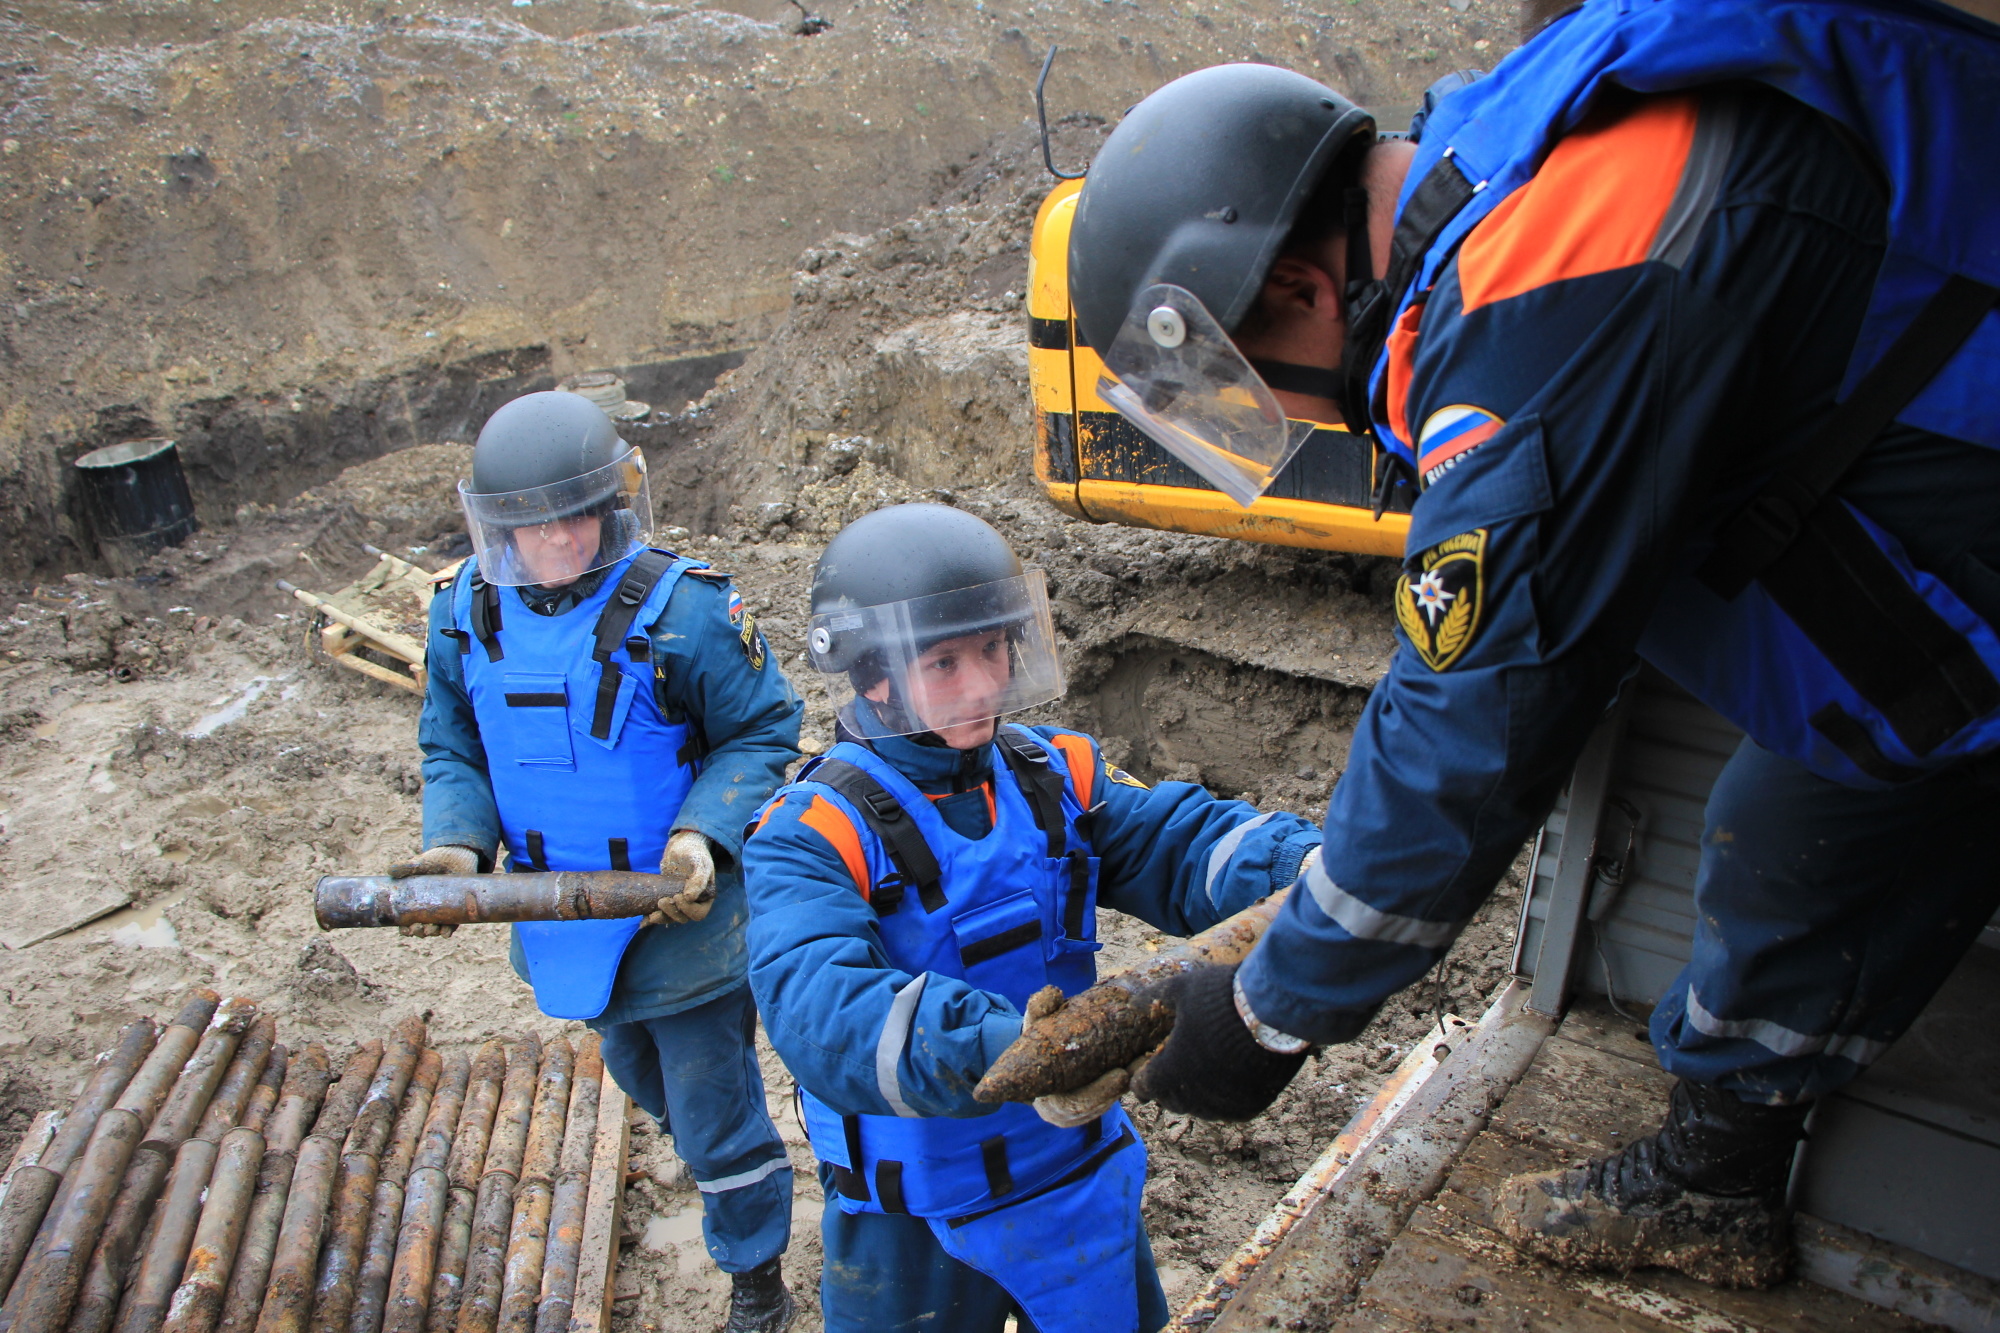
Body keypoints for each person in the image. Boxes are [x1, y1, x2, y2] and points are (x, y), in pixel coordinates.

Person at [1061, 0, 2000, 1290]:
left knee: (1800, 814)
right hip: (1945, 548)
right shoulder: (1513, 159)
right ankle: (1720, 1174)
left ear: (1297, 285)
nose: (1269, 414)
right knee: (1795, 822)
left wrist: (1269, 1013)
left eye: (1238, 375)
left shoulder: (1543, 295)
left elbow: (1474, 718)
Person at [738, 503, 1325, 1333]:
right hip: (916, 1219)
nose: (981, 684)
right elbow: (820, 1008)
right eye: (943, 662)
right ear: (871, 675)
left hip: (1076, 1172)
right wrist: (1014, 1049)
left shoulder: (1052, 773)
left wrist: (1306, 862)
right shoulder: (812, 831)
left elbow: (1175, 840)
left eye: (992, 649)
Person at [399, 390, 801, 1332]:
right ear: (501, 528)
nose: (566, 539)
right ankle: (719, 1163)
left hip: (686, 921)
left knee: (710, 1112)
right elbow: (453, 742)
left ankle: (757, 1275)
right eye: (538, 526)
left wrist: (703, 833)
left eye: (583, 513)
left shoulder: (686, 609)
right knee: (637, 1069)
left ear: (614, 502)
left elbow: (763, 728)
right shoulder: (463, 614)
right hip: (562, 918)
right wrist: (457, 844)